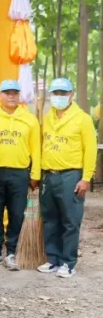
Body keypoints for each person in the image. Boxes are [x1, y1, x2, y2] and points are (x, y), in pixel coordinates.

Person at [38, 78, 96, 278]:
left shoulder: (82, 119)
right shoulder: (48, 117)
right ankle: (53, 259)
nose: (59, 97)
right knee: (50, 219)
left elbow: (90, 150)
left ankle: (68, 262)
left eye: (63, 93)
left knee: (70, 220)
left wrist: (86, 178)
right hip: (49, 175)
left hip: (71, 175)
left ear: (72, 94)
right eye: (56, 93)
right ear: (50, 95)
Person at [0, 79, 40, 271]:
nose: (11, 96)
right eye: (7, 93)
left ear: (19, 96)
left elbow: (36, 149)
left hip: (20, 173)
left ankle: (11, 252)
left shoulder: (30, 119)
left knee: (17, 213)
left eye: (14, 93)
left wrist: (35, 174)